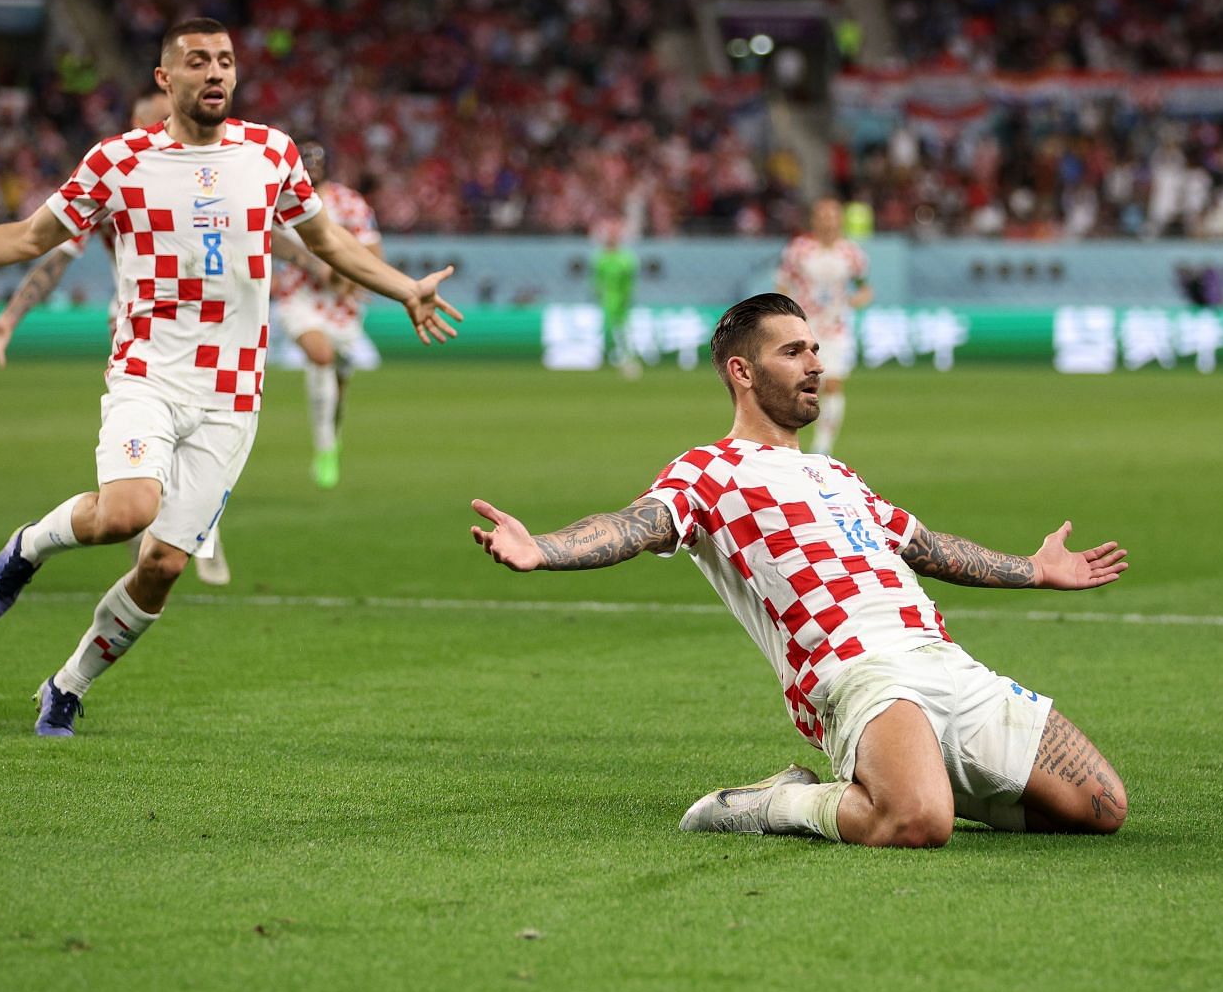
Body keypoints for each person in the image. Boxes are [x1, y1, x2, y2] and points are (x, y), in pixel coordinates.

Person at [0, 17, 462, 736]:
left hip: (232, 394)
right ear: (166, 79)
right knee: (127, 511)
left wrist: (402, 286)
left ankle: (67, 685)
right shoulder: (118, 161)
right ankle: (27, 548)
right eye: (198, 61)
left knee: (162, 564)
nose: (216, 72)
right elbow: (27, 236)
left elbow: (325, 240)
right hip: (148, 373)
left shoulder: (271, 153)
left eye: (225, 59)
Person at [471, 292, 1130, 847]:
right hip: (857, 669)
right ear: (742, 371)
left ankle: (907, 774)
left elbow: (926, 545)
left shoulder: (836, 473)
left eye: (815, 349)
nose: (815, 363)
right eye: (793, 352)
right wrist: (545, 548)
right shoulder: (708, 470)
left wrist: (1036, 570)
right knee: (918, 822)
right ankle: (775, 804)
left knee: (1099, 806)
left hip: (944, 658)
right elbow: (634, 523)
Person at [0, 90, 234, 586]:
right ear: (138, 122)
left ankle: (194, 530)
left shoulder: (215, 172)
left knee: (207, 424)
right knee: (157, 421)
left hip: (211, 322)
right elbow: (54, 251)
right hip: (137, 319)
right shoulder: (120, 170)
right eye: (159, 120)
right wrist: (10, 317)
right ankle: (165, 523)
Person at [270, 145, 381, 488]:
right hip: (297, 296)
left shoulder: (348, 202)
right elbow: (263, 242)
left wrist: (349, 278)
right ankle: (324, 448)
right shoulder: (280, 203)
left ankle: (332, 431)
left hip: (341, 304)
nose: (312, 168)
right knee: (320, 354)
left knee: (339, 382)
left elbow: (372, 248)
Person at [777, 198, 871, 454]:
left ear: (840, 220)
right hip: (803, 326)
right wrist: (787, 311)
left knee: (832, 383)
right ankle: (783, 441)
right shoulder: (799, 250)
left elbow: (865, 288)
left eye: (832, 216)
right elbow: (783, 282)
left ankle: (822, 447)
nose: (828, 221)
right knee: (791, 384)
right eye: (823, 216)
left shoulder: (851, 254)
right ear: (814, 220)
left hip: (835, 327)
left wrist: (856, 300)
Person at [592, 218, 640, 379]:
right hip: (607, 299)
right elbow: (598, 282)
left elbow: (629, 282)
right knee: (609, 329)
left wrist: (627, 297)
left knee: (622, 329)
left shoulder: (625, 259)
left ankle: (626, 359)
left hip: (621, 300)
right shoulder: (601, 259)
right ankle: (610, 358)